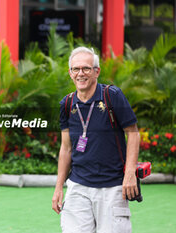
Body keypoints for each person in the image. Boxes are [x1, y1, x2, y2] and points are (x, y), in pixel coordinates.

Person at [51, 46, 140, 233]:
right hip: (78, 187)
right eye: (76, 69)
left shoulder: (112, 96)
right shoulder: (66, 104)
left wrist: (130, 173)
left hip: (112, 187)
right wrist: (59, 187)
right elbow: (66, 149)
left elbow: (133, 133)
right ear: (70, 73)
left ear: (96, 72)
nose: (80, 74)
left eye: (86, 68)